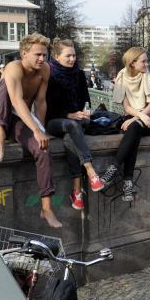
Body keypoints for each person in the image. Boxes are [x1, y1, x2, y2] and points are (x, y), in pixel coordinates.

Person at [0, 34, 62, 228]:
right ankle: (0, 138)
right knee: (3, 91)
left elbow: (40, 101)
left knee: (42, 150)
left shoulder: (44, 70)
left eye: (45, 55)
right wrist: (35, 129)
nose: (42, 59)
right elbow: (16, 100)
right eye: (38, 54)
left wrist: (40, 131)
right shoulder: (13, 68)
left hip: (20, 118)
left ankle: (46, 207)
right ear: (24, 53)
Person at [45, 39, 105, 211]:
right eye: (68, 56)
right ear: (56, 56)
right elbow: (46, 107)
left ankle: (77, 192)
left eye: (74, 55)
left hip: (77, 121)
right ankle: (91, 170)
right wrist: (68, 114)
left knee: (70, 136)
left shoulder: (78, 74)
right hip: (55, 121)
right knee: (72, 127)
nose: (72, 59)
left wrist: (86, 110)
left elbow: (86, 98)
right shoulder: (50, 74)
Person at [100, 47, 150, 201]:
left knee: (133, 129)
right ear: (132, 63)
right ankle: (128, 182)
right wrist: (137, 117)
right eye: (144, 61)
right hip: (136, 117)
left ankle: (113, 169)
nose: (147, 64)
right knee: (134, 135)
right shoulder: (122, 78)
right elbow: (127, 108)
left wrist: (137, 118)